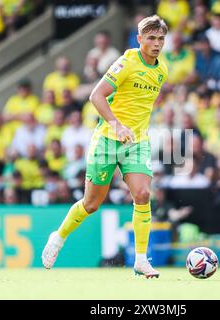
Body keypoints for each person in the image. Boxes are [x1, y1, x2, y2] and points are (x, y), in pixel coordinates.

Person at [42, 15, 169, 278]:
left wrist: (135, 130)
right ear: (140, 40)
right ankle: (59, 236)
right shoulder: (126, 62)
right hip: (108, 138)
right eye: (151, 38)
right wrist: (116, 124)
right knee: (91, 204)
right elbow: (95, 95)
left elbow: (140, 105)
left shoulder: (162, 71)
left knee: (143, 194)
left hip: (136, 142)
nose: (156, 44)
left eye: (160, 39)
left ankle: (141, 260)